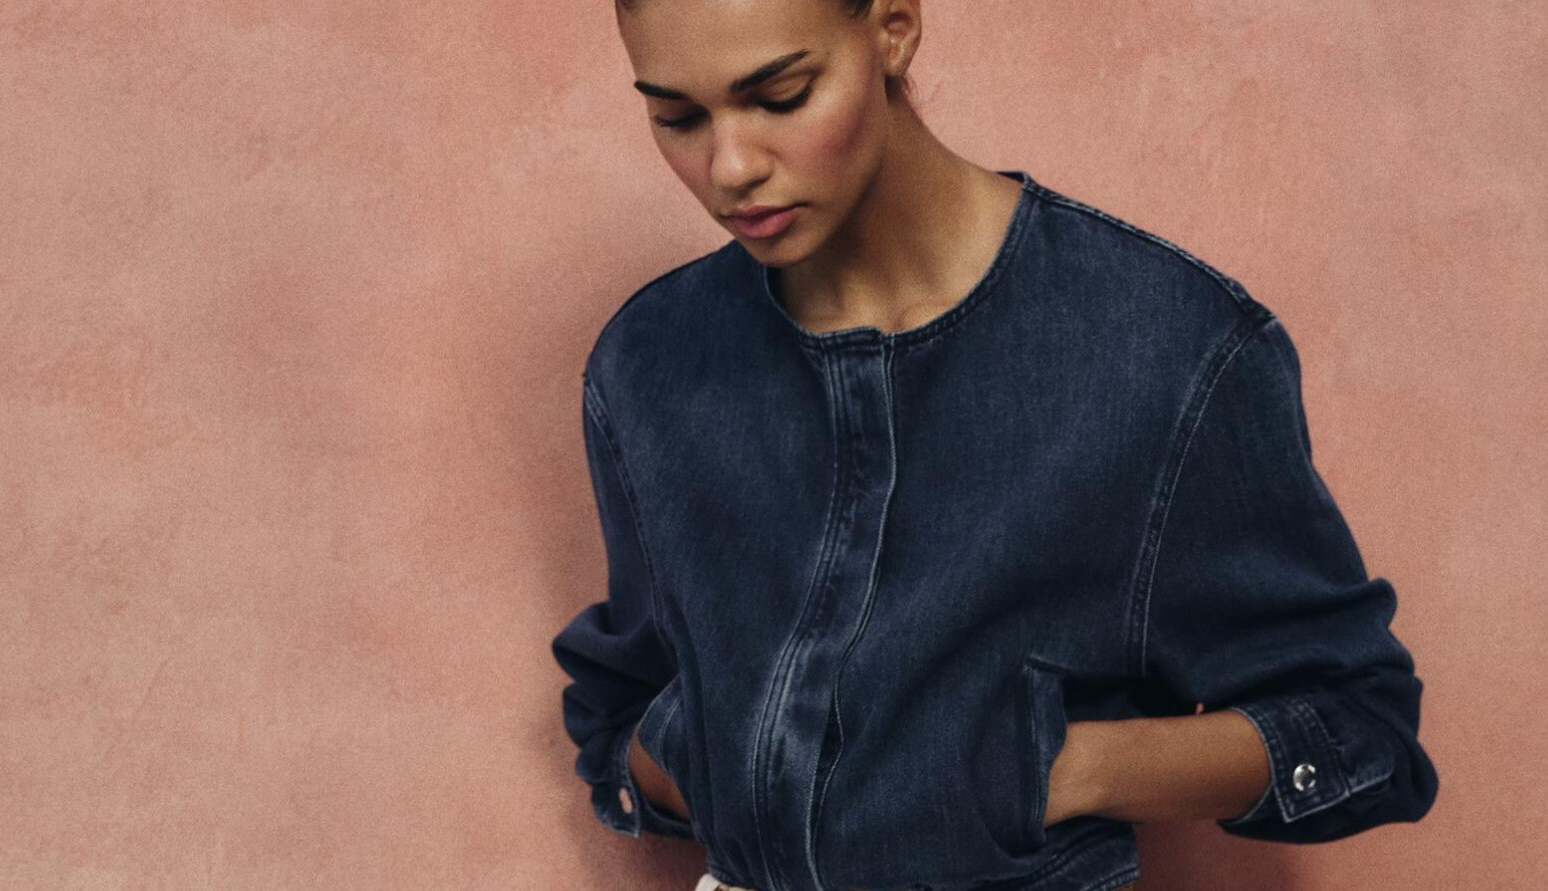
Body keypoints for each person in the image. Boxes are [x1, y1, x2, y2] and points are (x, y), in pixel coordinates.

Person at [550, 1, 1439, 889]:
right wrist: (728, 769)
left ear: (893, 27)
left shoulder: (1162, 347)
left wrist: (1059, 771)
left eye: (781, 96)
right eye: (677, 117)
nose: (731, 166)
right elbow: (620, 703)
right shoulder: (650, 360)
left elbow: (1359, 725)